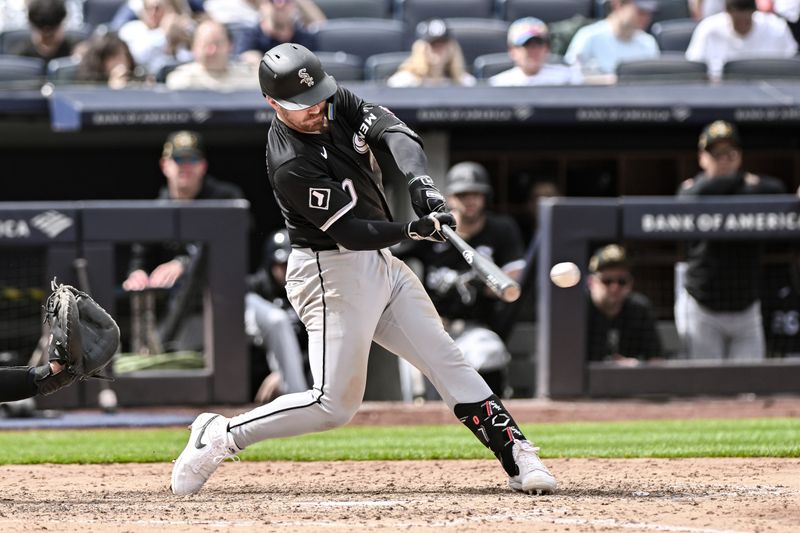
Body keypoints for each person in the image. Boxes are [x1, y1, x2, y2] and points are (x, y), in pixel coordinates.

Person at [170, 43, 557, 497]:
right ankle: (219, 435)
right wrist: (413, 229)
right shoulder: (289, 163)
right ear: (273, 104)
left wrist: (420, 184)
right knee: (334, 405)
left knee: (446, 359)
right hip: (328, 273)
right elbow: (352, 232)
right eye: (301, 106)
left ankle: (517, 454)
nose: (316, 110)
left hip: (380, 265)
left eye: (318, 98)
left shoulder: (334, 100)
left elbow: (397, 134)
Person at [404, 162, 526, 396]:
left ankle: (494, 418)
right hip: (433, 326)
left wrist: (478, 280)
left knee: (488, 352)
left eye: (476, 194)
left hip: (474, 327)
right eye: (463, 194)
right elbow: (392, 255)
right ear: (450, 197)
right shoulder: (434, 229)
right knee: (423, 389)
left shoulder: (500, 229)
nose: (470, 200)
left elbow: (512, 279)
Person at [122, 130, 244, 351]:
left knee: (275, 321)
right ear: (165, 165)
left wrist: (183, 263)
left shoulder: (225, 198)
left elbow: (232, 250)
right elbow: (139, 258)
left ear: (203, 165)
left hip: (228, 298)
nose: (185, 166)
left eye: (192, 160)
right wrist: (137, 273)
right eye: (179, 159)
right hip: (176, 309)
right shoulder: (157, 210)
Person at [675, 120, 786, 360]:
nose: (724, 159)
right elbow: (690, 196)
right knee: (706, 387)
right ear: (702, 157)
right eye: (716, 154)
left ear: (740, 155)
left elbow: (778, 189)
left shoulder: (757, 188)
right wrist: (739, 182)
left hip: (746, 306)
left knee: (750, 387)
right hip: (703, 305)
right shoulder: (693, 189)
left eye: (730, 153)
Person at [245, 228, 310, 403]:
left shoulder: (308, 293)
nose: (289, 271)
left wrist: (283, 372)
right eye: (283, 265)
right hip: (254, 379)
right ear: (270, 263)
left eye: (293, 264)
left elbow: (314, 347)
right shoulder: (253, 288)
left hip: (297, 378)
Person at [586, 244, 663, 365]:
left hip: (629, 382)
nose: (615, 287)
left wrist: (637, 366)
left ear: (631, 283)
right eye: (607, 281)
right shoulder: (579, 310)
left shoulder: (639, 309)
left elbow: (656, 360)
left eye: (622, 281)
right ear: (591, 283)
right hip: (583, 381)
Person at [685, 0, 798, 80]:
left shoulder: (777, 27)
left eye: (747, 21)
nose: (743, 25)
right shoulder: (707, 29)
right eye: (738, 21)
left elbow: (791, 67)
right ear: (727, 12)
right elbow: (695, 70)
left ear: (754, 11)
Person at [564, 0, 660, 81]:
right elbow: (570, 76)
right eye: (640, 12)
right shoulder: (588, 36)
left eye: (649, 13)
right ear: (617, 5)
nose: (646, 17)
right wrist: (605, 81)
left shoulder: (648, 42)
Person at [166, 18, 261, 90]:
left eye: (217, 44)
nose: (212, 51)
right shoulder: (181, 81)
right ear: (194, 48)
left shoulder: (248, 79)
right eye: (206, 45)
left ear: (230, 46)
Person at [489, 17, 583, 87]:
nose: (534, 50)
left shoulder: (567, 78)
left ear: (547, 49)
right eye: (527, 45)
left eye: (539, 44)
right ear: (513, 51)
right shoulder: (499, 84)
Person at [387, 19, 476, 88]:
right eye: (433, 44)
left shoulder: (464, 83)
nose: (438, 49)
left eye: (443, 44)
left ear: (452, 49)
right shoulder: (404, 82)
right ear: (421, 49)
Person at [233, 0, 322, 66]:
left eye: (287, 0)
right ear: (262, 5)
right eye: (272, 1)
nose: (280, 4)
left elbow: (321, 25)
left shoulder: (306, 38)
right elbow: (247, 59)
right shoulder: (249, 36)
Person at [117, 0, 194, 76]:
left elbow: (191, 59)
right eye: (148, 8)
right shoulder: (131, 29)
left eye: (157, 8)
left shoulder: (182, 30)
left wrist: (181, 39)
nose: (152, 12)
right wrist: (163, 34)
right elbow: (138, 57)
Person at [7, 0, 82, 62]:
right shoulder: (19, 57)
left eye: (52, 34)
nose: (48, 40)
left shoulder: (76, 50)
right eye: (44, 35)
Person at [75, 32, 147, 89]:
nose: (122, 62)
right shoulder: (87, 86)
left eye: (125, 55)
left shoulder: (136, 78)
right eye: (114, 57)